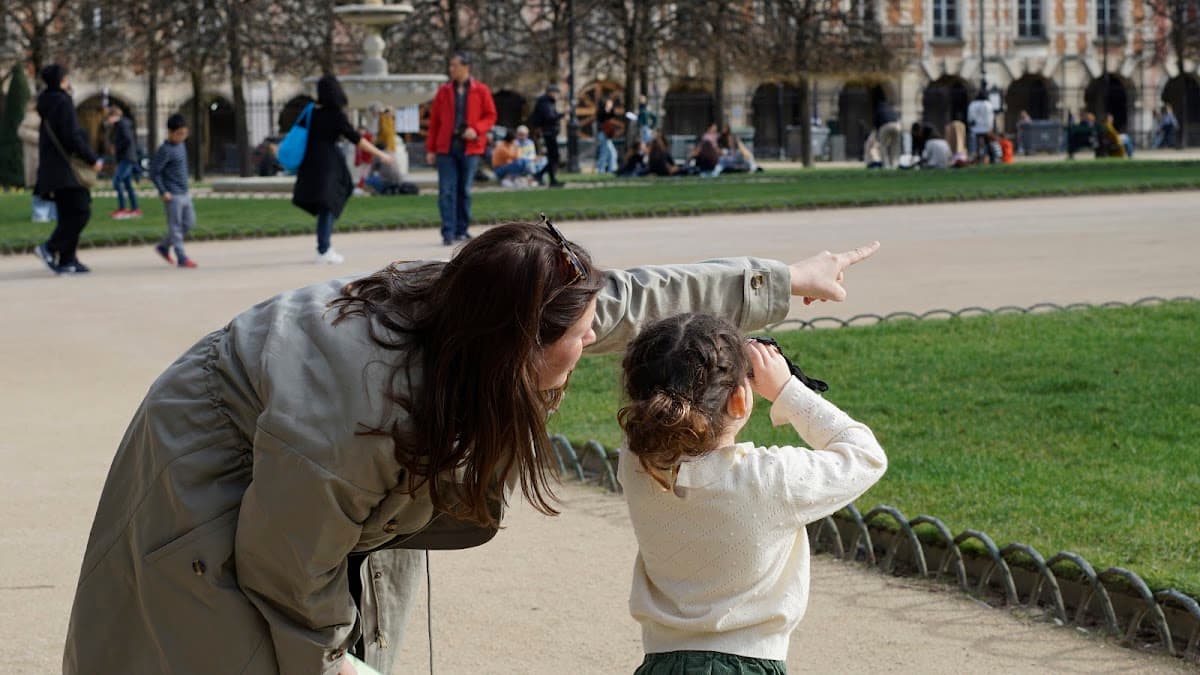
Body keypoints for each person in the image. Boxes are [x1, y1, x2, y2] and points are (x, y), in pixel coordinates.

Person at [61, 216, 880, 675]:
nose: (592, 348)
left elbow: (626, 299)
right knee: (232, 649)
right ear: (514, 351)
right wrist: (334, 662)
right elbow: (287, 579)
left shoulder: (496, 310)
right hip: (218, 457)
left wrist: (779, 281)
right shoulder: (352, 420)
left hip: (336, 459)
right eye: (571, 352)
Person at [618, 313, 887, 675]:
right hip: (749, 664)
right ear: (740, 400)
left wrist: (702, 354)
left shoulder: (636, 466)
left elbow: (664, 365)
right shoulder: (770, 479)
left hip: (660, 664)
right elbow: (866, 456)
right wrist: (787, 390)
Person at [294, 75, 394, 264]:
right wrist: (381, 154)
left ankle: (324, 246)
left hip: (311, 161)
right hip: (328, 162)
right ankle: (324, 249)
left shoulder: (312, 112)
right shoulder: (336, 115)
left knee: (329, 201)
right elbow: (357, 139)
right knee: (329, 203)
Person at [32, 63, 103, 275]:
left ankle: (67, 259)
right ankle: (50, 248)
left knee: (68, 213)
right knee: (81, 211)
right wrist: (92, 159)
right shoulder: (63, 102)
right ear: (61, 80)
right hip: (67, 168)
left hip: (54, 168)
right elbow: (71, 136)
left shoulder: (47, 102)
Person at [425, 52, 497, 246]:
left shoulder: (481, 90)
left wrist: (476, 129)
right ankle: (448, 232)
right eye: (451, 65)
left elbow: (490, 116)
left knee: (464, 190)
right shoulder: (443, 91)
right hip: (446, 148)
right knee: (446, 190)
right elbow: (434, 122)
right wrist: (430, 149)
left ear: (466, 67)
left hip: (470, 147)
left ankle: (462, 230)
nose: (451, 69)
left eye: (455, 65)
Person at [149, 114, 198, 268]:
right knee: (175, 227)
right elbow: (154, 172)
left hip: (184, 192)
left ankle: (164, 247)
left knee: (189, 222)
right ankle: (181, 257)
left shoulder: (181, 146)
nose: (182, 137)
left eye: (184, 133)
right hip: (172, 194)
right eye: (179, 134)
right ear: (170, 133)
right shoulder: (165, 150)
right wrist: (163, 191)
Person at [18, 100, 58, 223]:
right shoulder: (32, 116)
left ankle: (52, 214)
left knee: (52, 186)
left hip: (46, 156)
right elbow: (22, 131)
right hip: (37, 156)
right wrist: (42, 138)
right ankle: (40, 215)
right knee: (41, 186)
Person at [528, 82, 565, 188]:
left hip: (550, 132)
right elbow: (549, 117)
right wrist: (562, 114)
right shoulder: (545, 102)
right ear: (551, 93)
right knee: (554, 157)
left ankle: (544, 176)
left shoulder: (547, 102)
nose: (557, 95)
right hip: (548, 132)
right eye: (556, 93)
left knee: (553, 157)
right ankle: (541, 176)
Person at [107, 105, 141, 219]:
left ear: (114, 115)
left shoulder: (122, 125)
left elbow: (127, 140)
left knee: (117, 181)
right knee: (128, 185)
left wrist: (116, 147)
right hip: (126, 158)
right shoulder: (120, 125)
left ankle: (122, 208)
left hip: (127, 158)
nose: (108, 120)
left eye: (109, 117)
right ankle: (135, 209)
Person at [967, 90, 995, 163]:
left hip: (976, 127)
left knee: (976, 144)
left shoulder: (973, 104)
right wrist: (991, 126)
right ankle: (989, 157)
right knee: (987, 143)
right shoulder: (988, 104)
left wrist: (971, 124)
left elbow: (970, 116)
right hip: (986, 127)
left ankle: (977, 157)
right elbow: (991, 117)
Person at [595, 96, 620, 174]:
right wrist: (608, 108)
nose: (611, 104)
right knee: (605, 153)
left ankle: (610, 169)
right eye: (609, 103)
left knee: (611, 153)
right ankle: (603, 170)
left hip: (606, 135)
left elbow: (613, 115)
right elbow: (604, 117)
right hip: (603, 134)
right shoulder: (601, 112)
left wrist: (611, 108)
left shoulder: (608, 111)